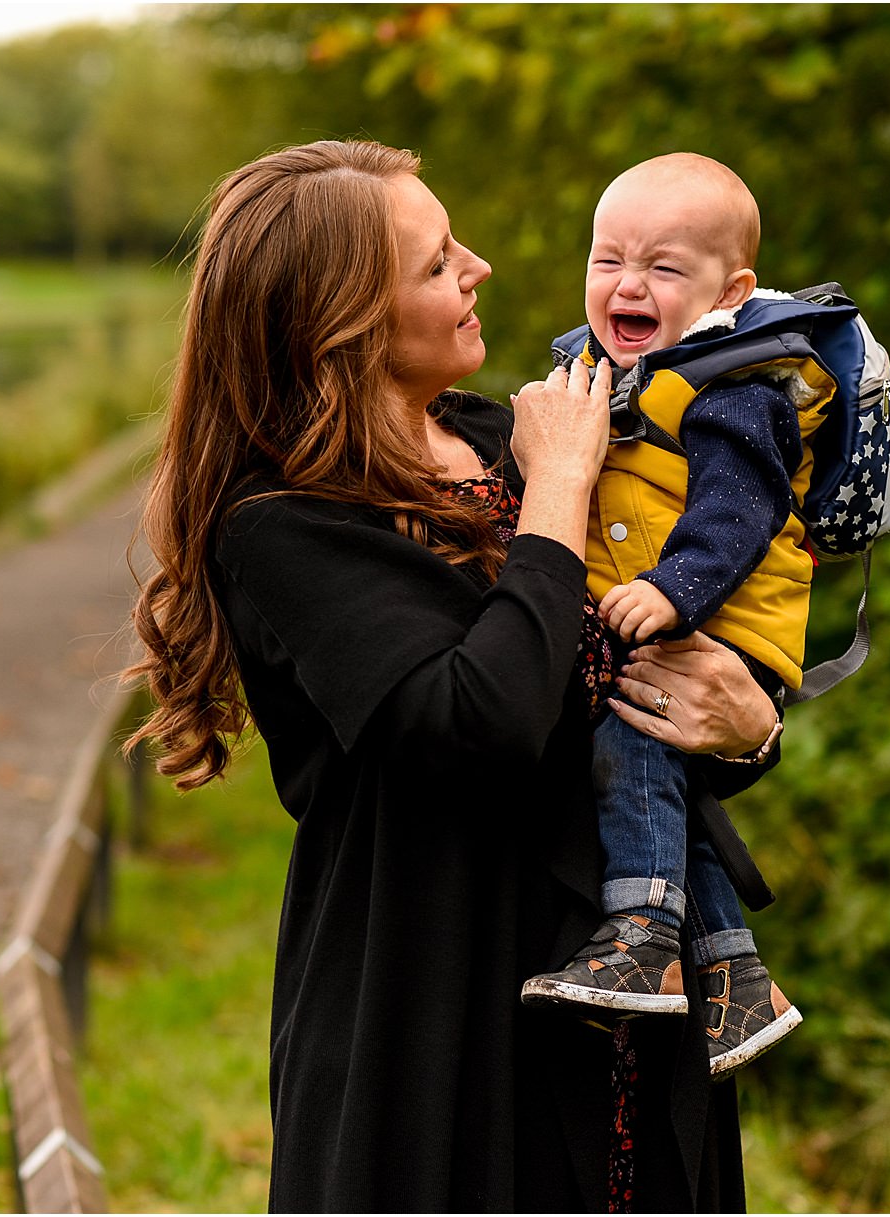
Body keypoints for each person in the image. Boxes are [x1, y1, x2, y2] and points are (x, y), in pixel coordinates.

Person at [127, 139, 783, 1212]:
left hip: (624, 1002)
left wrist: (746, 725)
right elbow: (481, 721)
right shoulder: (290, 522)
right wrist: (560, 491)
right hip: (436, 1024)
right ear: (340, 323)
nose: (475, 266)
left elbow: (624, 710)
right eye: (435, 264)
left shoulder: (510, 438)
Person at [518, 155, 803, 1080]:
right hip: (669, 618)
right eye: (608, 260)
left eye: (665, 268)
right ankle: (735, 975)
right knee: (660, 776)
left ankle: (643, 931)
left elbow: (739, 510)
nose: (628, 284)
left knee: (632, 743)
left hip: (715, 624)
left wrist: (677, 591)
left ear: (733, 291)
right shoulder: (604, 371)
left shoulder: (736, 387)